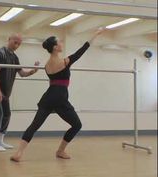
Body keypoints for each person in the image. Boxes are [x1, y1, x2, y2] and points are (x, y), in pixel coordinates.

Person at [10, 28, 105, 162]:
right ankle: (60, 151)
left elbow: (52, 82)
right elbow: (82, 50)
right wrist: (95, 34)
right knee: (77, 125)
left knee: (34, 125)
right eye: (59, 42)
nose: (61, 43)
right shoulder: (64, 62)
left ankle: (19, 153)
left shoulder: (48, 65)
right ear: (55, 47)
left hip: (49, 97)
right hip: (60, 98)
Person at [0, 34, 40, 151]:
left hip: (6, 92)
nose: (17, 45)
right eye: (15, 42)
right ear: (9, 40)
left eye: (19, 44)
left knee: (7, 114)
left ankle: (0, 141)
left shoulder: (15, 57)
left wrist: (34, 71)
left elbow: (22, 73)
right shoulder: (0, 53)